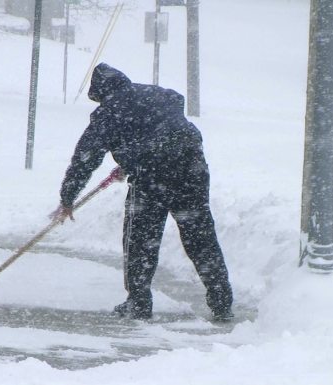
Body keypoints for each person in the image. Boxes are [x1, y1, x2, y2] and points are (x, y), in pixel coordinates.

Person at [57, 63, 233, 322]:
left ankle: (138, 303)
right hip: (191, 168)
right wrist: (130, 161)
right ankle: (221, 300)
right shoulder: (159, 94)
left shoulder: (108, 112)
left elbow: (86, 157)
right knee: (200, 236)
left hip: (154, 177)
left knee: (140, 239)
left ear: (101, 93)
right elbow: (163, 129)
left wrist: (67, 197)